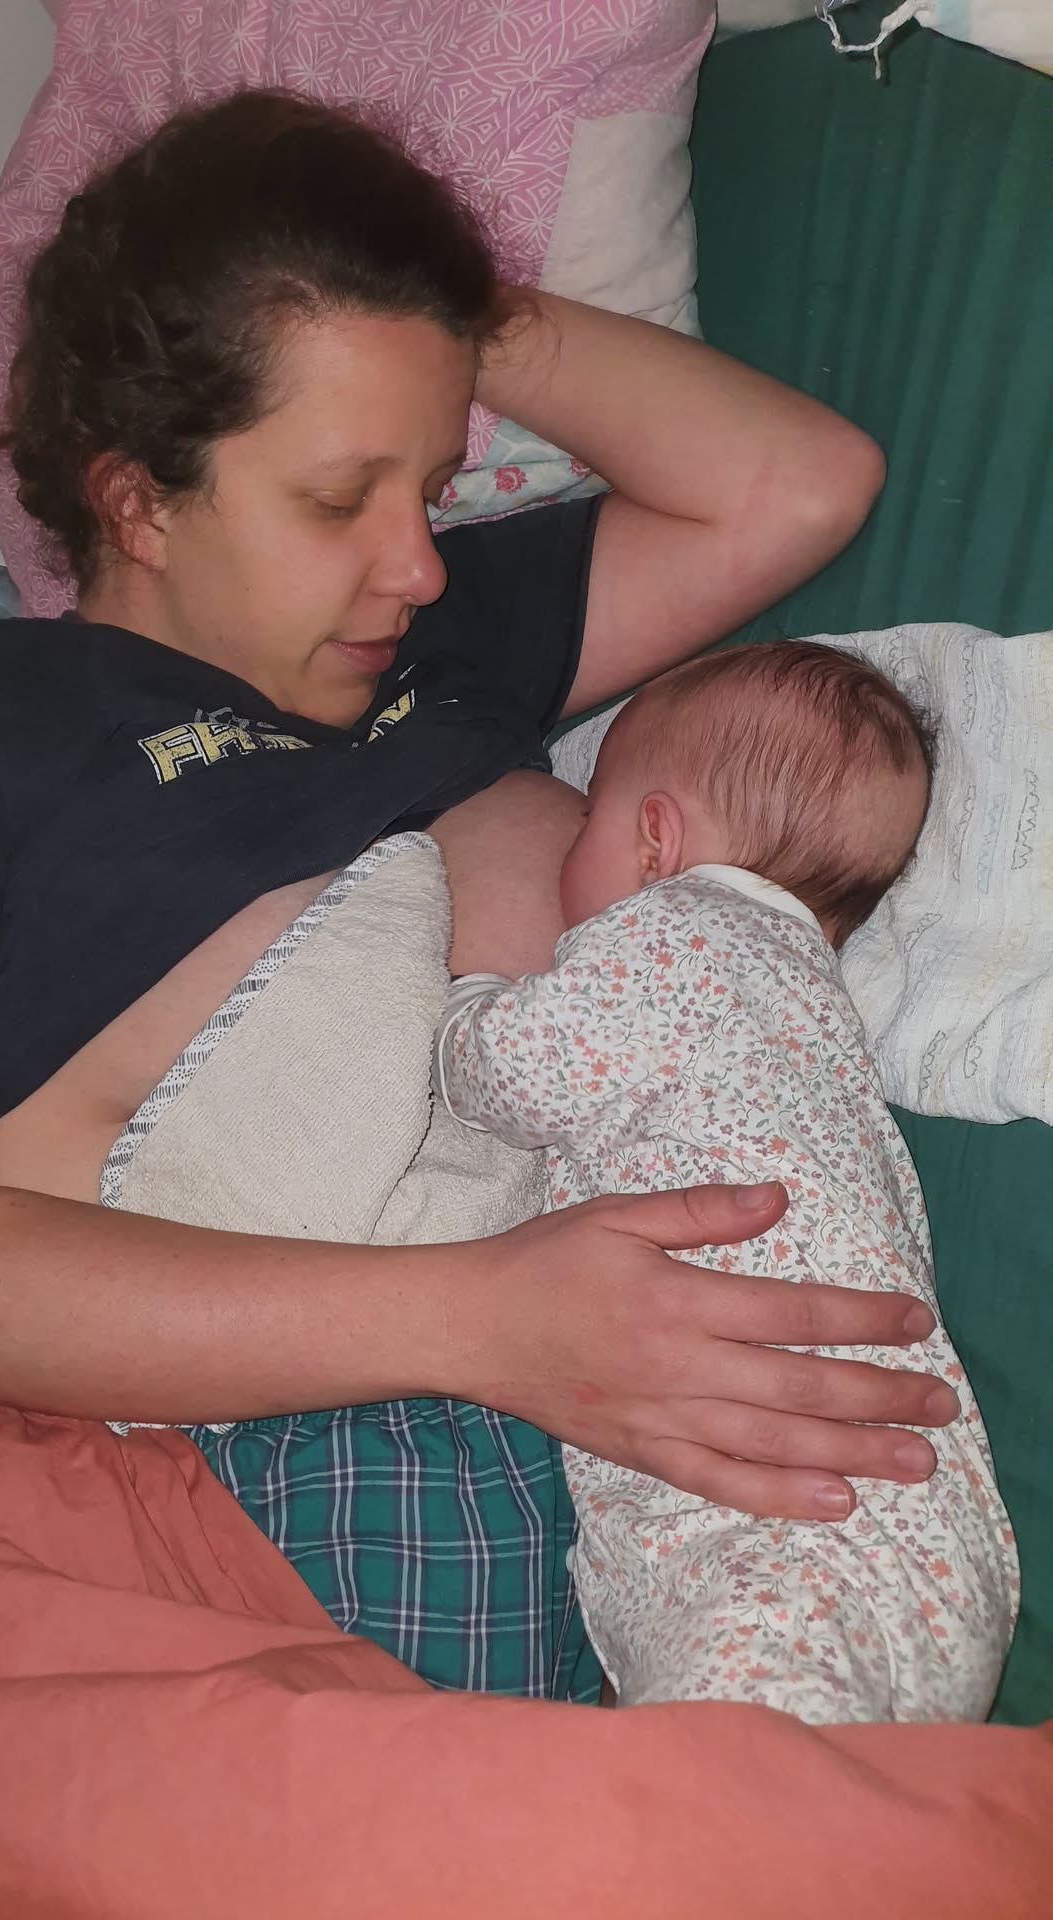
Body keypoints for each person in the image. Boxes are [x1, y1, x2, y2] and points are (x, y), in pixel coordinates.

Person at [0, 91, 954, 1702]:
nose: (419, 561)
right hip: (281, 1451)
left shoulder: (431, 645)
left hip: (625, 1472)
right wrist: (484, 1323)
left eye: (431, 483)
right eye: (339, 497)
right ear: (136, 496)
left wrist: (426, 306)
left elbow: (799, 481)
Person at [437, 642, 1020, 1721]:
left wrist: (468, 1000)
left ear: (654, 841)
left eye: (588, 819)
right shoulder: (813, 1006)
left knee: (725, 1788)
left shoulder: (676, 930)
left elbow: (517, 1072)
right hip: (911, 1533)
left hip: (781, 1538)